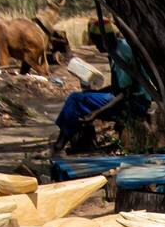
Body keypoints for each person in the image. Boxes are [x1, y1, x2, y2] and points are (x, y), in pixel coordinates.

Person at [55, 20, 153, 154]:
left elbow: (125, 92)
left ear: (104, 39)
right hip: (132, 98)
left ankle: (59, 145)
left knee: (75, 100)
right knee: (82, 97)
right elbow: (117, 88)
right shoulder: (119, 47)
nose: (95, 46)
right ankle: (75, 145)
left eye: (96, 41)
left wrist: (97, 112)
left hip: (135, 103)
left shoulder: (120, 53)